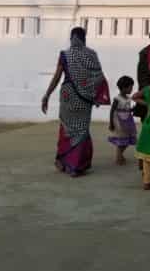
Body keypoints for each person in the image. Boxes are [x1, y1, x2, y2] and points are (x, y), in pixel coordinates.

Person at [41, 26, 109, 177]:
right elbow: (98, 77)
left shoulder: (66, 55)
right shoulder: (91, 55)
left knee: (66, 128)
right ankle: (77, 165)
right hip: (84, 100)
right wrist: (94, 94)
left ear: (71, 38)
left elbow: (57, 76)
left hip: (68, 96)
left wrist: (47, 94)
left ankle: (62, 161)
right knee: (82, 129)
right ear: (84, 38)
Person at [107, 75, 138, 164]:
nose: (131, 89)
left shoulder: (128, 98)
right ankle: (118, 157)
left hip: (128, 121)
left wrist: (133, 109)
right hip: (119, 122)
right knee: (121, 140)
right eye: (130, 87)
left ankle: (120, 155)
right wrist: (111, 123)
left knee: (127, 140)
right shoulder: (117, 99)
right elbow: (112, 111)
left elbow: (127, 109)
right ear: (124, 88)